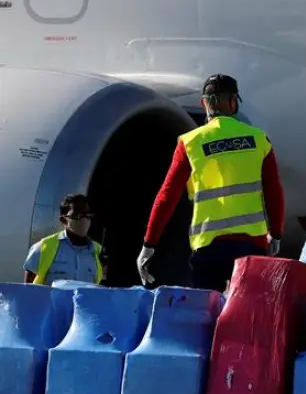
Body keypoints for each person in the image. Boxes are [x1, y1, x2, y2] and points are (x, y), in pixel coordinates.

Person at [136, 74, 285, 292]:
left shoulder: (190, 143)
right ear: (233, 102)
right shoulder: (259, 139)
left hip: (208, 248)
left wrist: (149, 243)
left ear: (204, 103)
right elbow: (274, 192)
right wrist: (276, 233)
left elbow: (167, 196)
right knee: (249, 309)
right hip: (251, 246)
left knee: (207, 308)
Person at [24, 194, 107, 285]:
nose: (84, 220)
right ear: (64, 220)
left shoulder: (98, 251)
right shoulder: (43, 247)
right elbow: (28, 289)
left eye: (87, 215)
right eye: (78, 215)